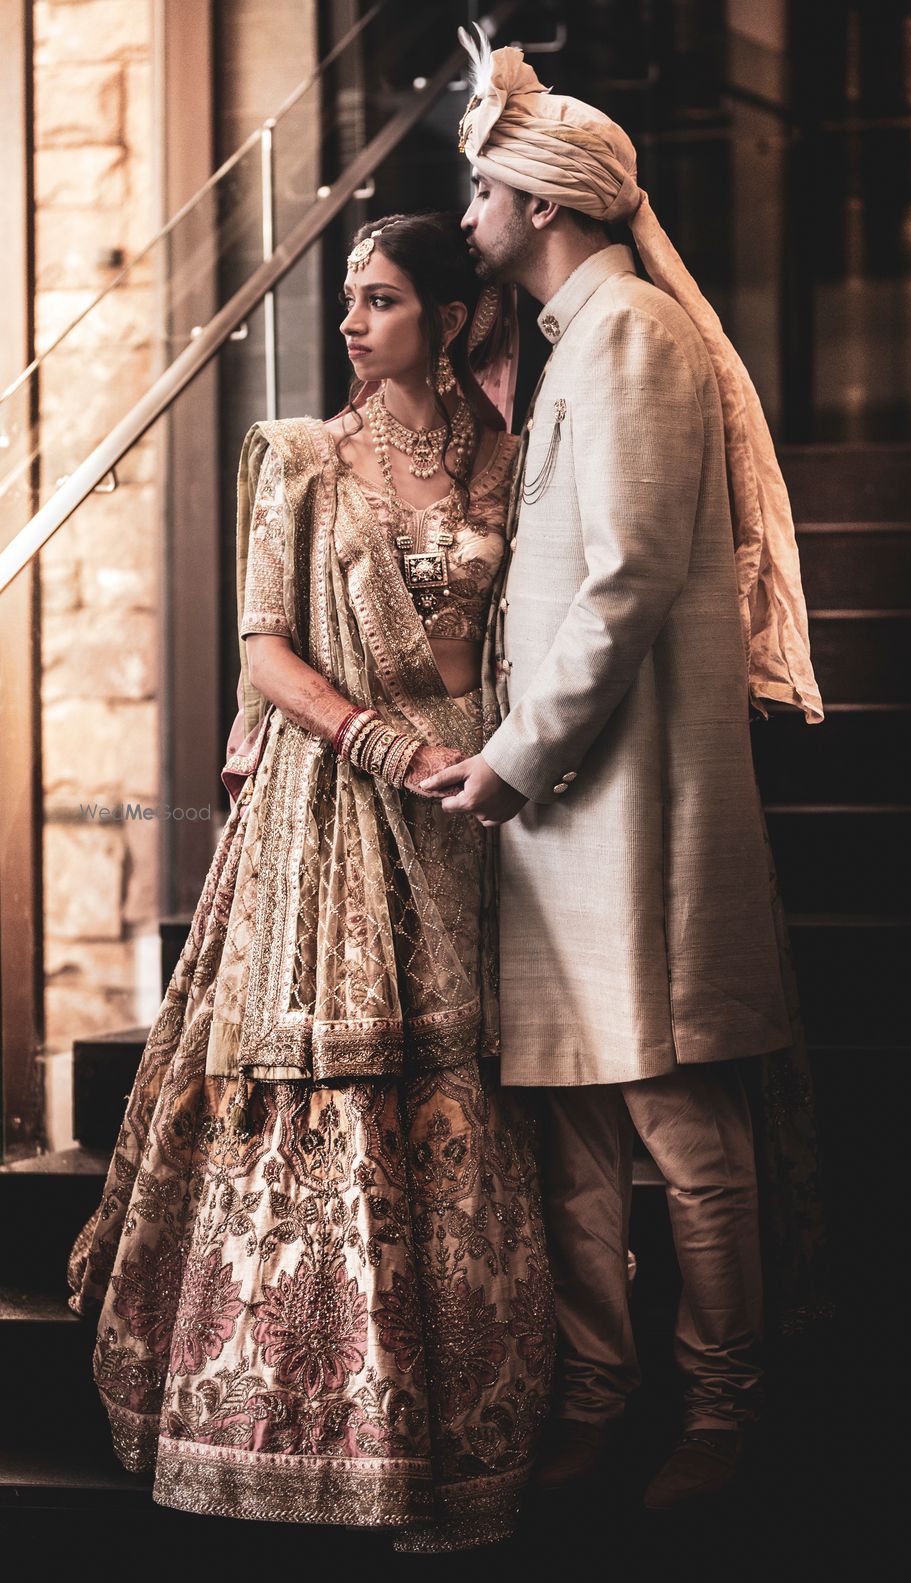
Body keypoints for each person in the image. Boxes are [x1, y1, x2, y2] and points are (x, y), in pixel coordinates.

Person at [66, 211, 555, 1554]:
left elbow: (530, 636)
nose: (349, 322)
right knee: (320, 1087)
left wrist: (480, 754)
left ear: (450, 320)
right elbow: (266, 651)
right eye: (348, 299)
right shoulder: (299, 457)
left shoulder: (516, 460)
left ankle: (456, 1423)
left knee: (460, 1106)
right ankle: (288, 1416)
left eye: (382, 300)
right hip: (337, 800)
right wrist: (381, 742)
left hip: (475, 808)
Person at [422, 34, 824, 1510]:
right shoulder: (569, 340)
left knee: (672, 1116)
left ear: (544, 202)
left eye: (482, 188)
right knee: (571, 1121)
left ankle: (723, 1413)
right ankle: (599, 1394)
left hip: (625, 801)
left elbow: (633, 576)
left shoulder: (636, 334)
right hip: (560, 805)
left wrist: (516, 759)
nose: (466, 210)